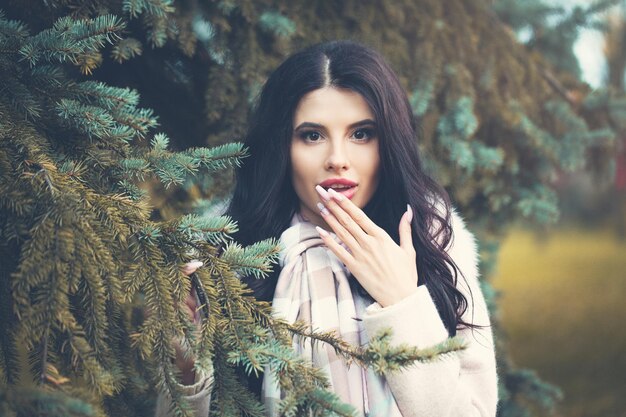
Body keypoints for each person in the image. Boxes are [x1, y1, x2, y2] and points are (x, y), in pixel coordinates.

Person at [156, 40, 498, 417]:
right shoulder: (224, 256)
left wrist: (403, 304)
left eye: (361, 134)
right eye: (312, 135)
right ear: (282, 147)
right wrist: (186, 368)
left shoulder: (434, 244)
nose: (338, 159)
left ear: (389, 142)